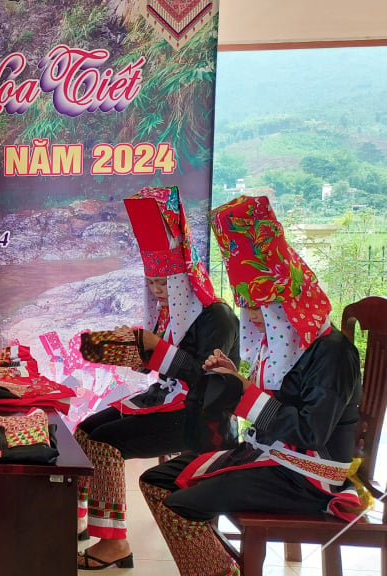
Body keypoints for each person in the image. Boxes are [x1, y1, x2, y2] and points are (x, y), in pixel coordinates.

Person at [139, 195, 364, 576]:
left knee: (179, 504)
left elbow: (311, 433)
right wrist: (232, 378)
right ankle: (221, 570)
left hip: (308, 476)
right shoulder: (280, 342)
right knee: (156, 481)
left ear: (290, 301)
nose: (254, 318)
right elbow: (264, 401)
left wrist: (243, 392)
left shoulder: (332, 352)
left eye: (262, 308)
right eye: (248, 307)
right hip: (267, 457)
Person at [75, 186, 240, 570]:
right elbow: (158, 368)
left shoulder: (217, 316)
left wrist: (155, 348)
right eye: (152, 283)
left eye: (165, 285)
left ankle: (113, 543)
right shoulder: (170, 314)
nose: (158, 292)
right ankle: (86, 520)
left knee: (103, 443)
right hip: (167, 398)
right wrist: (115, 347)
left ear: (186, 280)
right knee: (84, 430)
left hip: (201, 416)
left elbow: (209, 382)